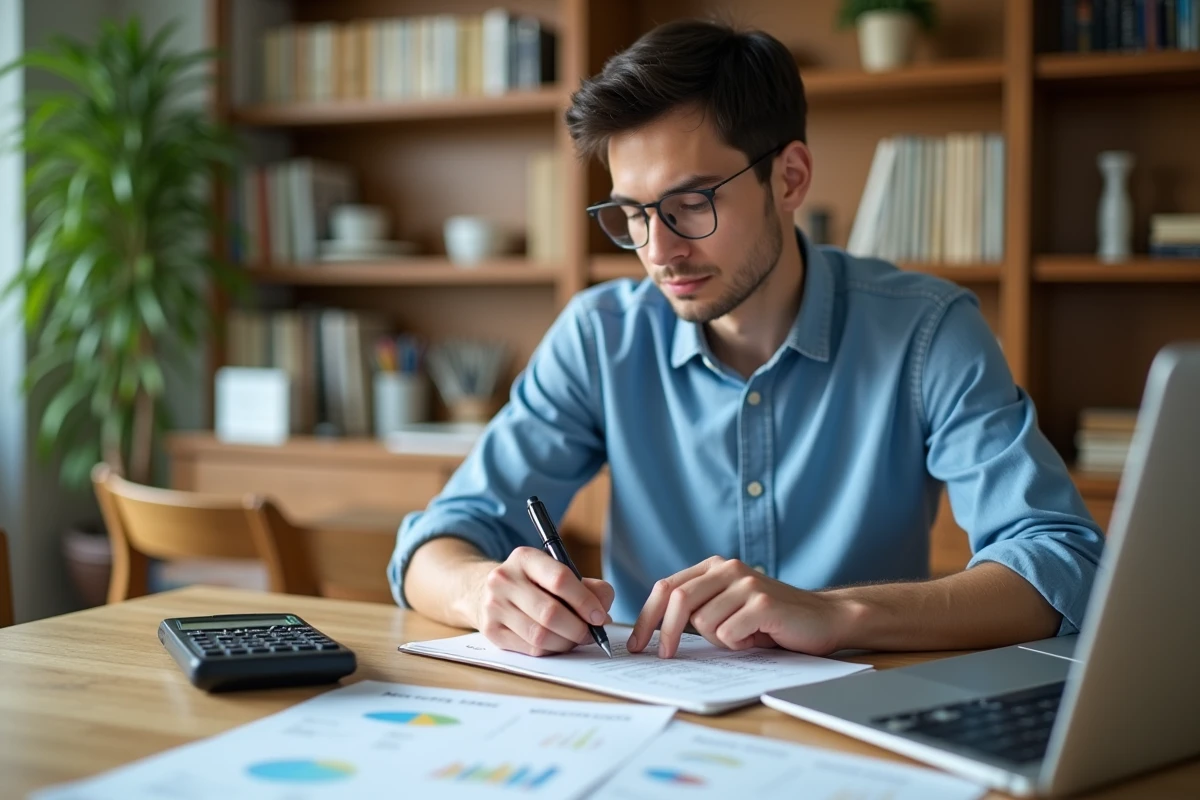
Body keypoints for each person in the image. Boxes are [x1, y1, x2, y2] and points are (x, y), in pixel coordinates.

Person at [388, 19, 1104, 660]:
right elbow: (437, 542)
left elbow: (1060, 563)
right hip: (649, 718)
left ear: (788, 178)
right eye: (632, 213)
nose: (657, 250)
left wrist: (833, 613)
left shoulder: (927, 330)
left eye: (690, 204)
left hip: (864, 719)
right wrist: (484, 590)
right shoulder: (600, 336)